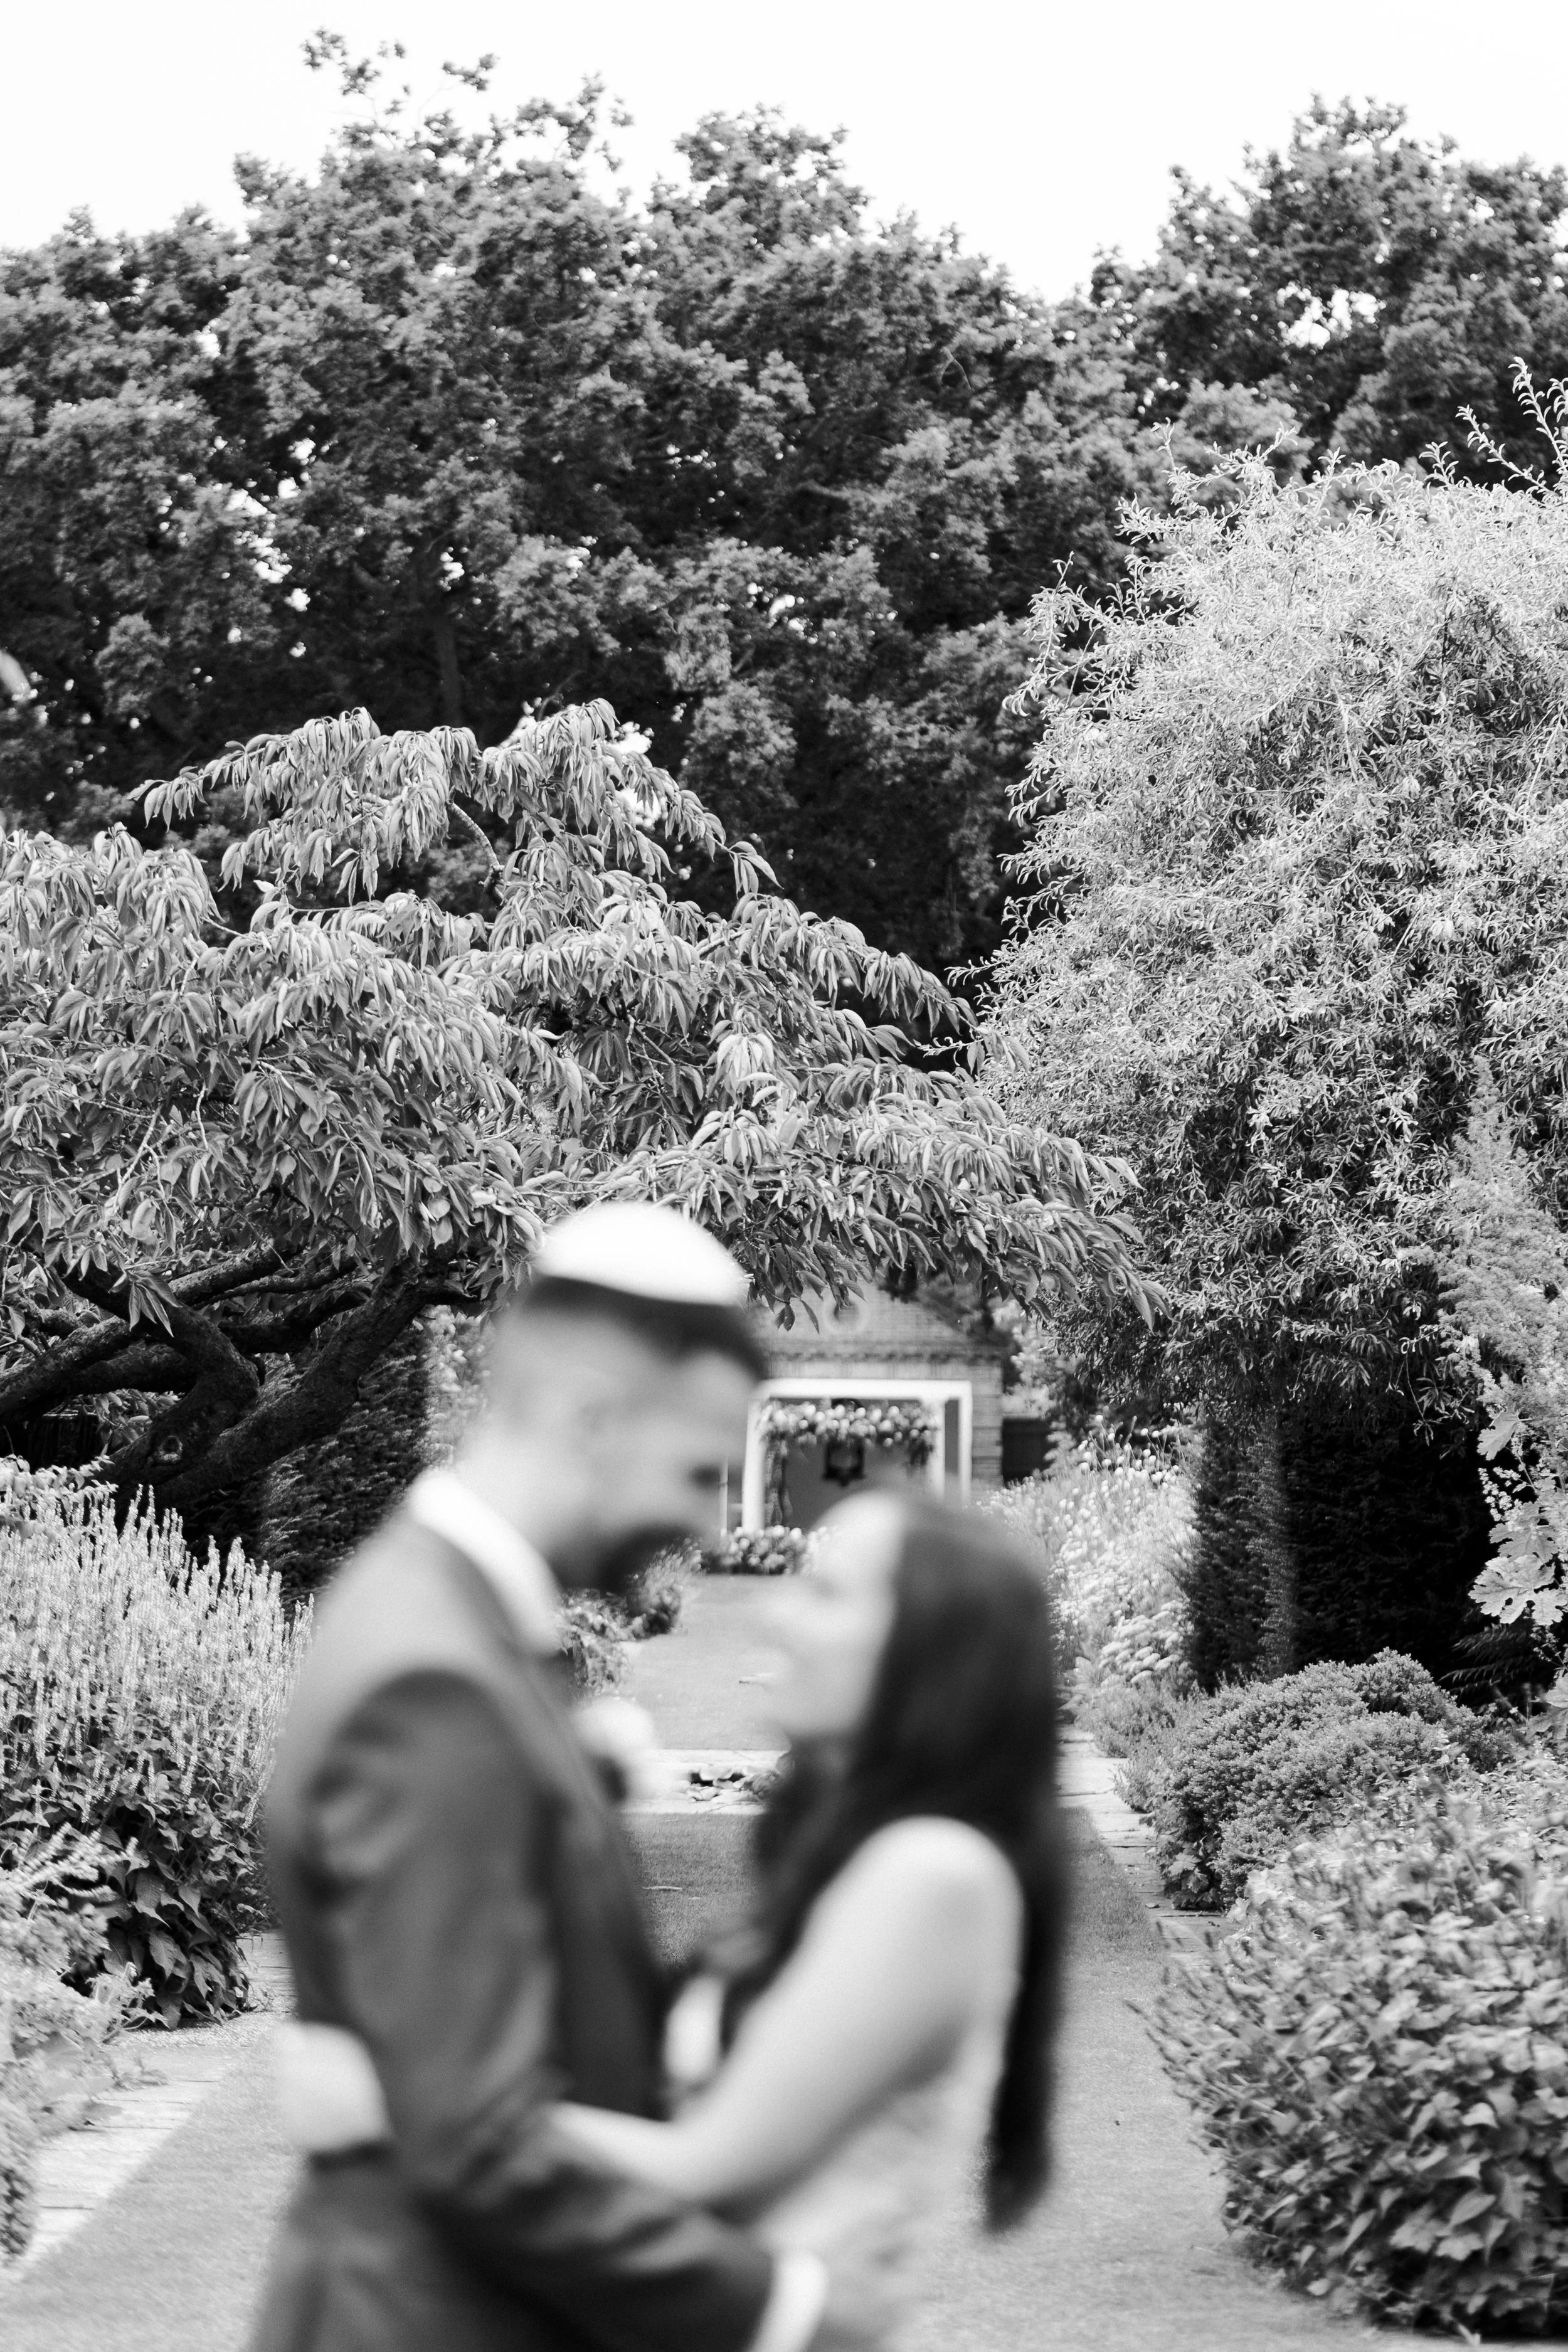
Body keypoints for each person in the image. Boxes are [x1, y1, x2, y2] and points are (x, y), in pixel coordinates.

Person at [250, 1202, 835, 2352]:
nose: (704, 1522)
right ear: (587, 1412)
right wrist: (787, 2316)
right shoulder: (435, 1680)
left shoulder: (442, 1619)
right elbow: (479, 2142)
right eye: (697, 1467)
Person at [549, 1488, 1069, 2352]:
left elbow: (706, 2167)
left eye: (826, 1591)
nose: (780, 1613)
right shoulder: (841, 1857)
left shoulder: (933, 1873)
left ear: (930, 1649)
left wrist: (414, 2110)